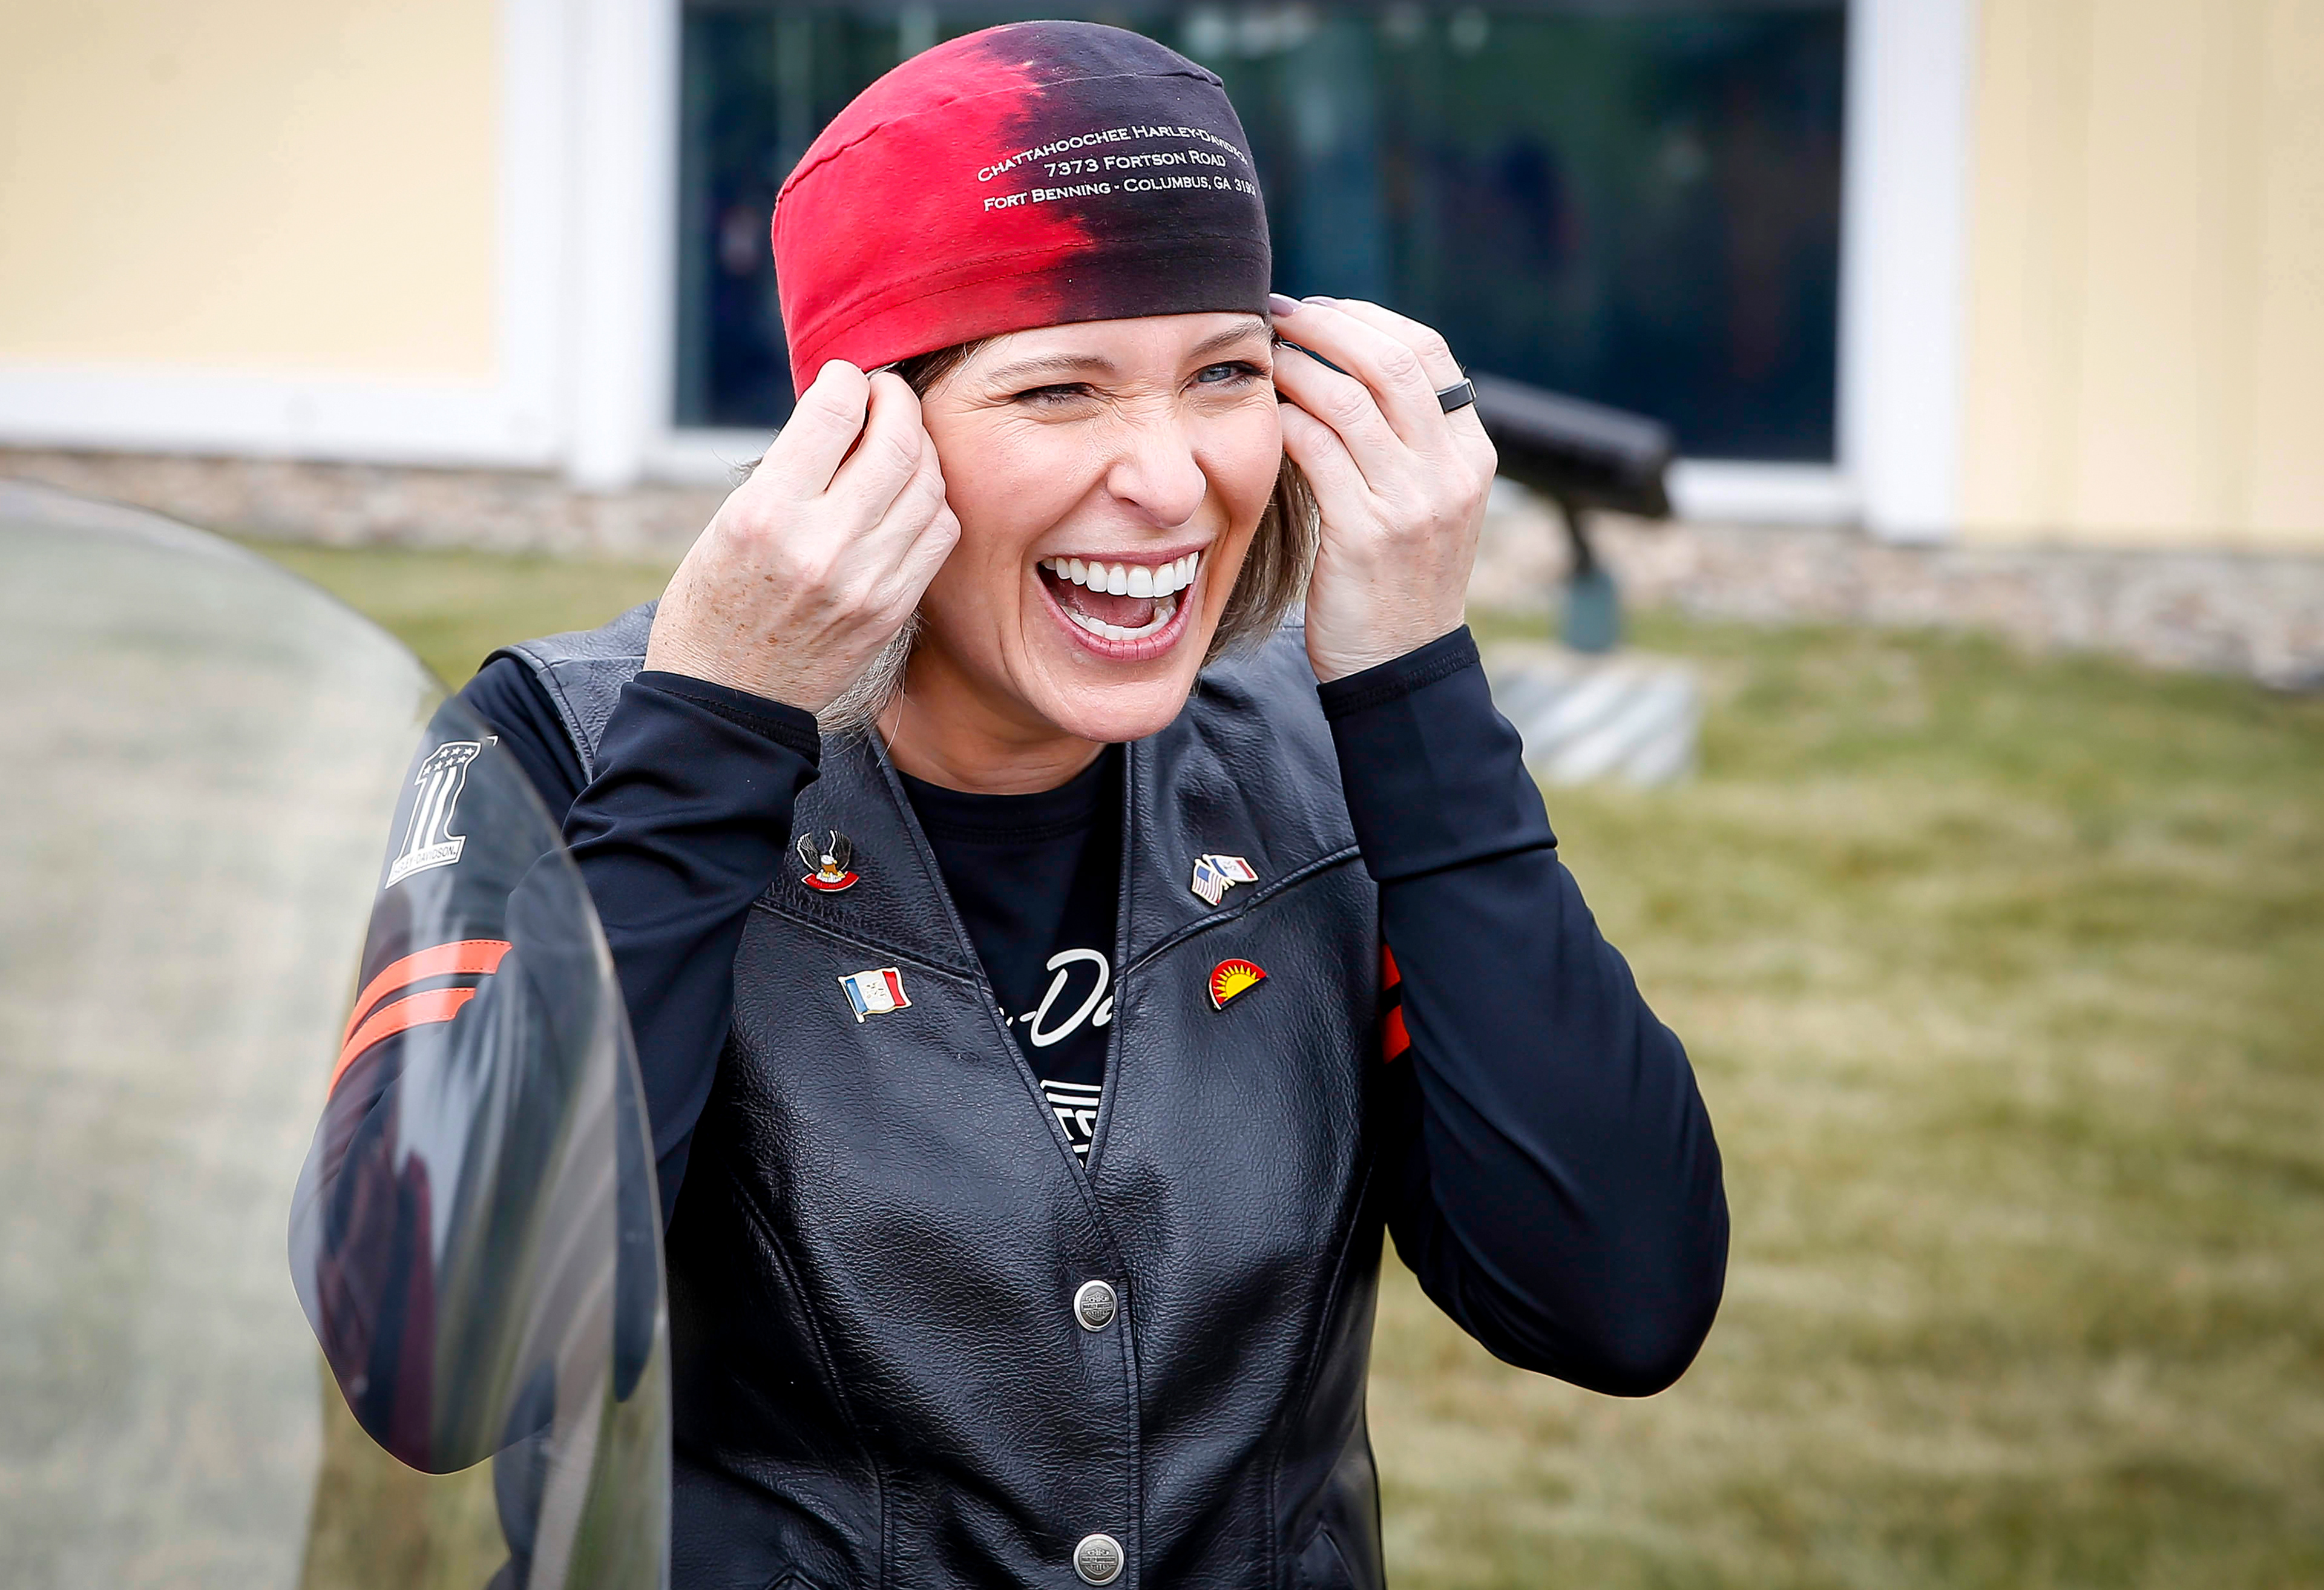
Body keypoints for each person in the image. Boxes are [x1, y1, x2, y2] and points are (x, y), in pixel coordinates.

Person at [298, 21, 1725, 1588]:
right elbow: (433, 1363)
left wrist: (1418, 692)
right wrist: (712, 729)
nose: (1173, 480)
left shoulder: (1334, 748)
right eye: (1060, 390)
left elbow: (1621, 1297)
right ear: (858, 435)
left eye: (1224, 374)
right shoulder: (558, 749)